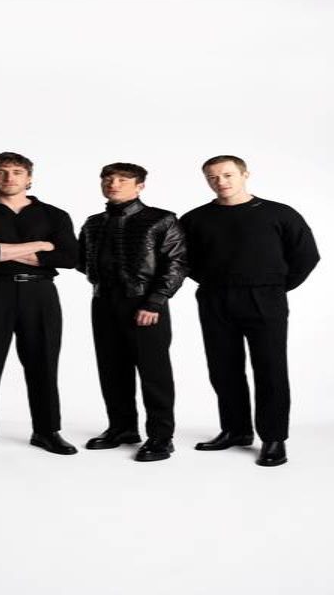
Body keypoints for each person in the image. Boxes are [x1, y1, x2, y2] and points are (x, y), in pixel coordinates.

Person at [181, 155, 320, 466]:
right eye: (213, 177)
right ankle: (236, 430)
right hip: (215, 298)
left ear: (245, 175)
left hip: (265, 297)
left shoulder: (279, 213)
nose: (221, 181)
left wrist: (275, 286)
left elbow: (307, 255)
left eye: (228, 174)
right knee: (223, 367)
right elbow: (183, 260)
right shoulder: (195, 219)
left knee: (270, 368)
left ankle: (274, 438)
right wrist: (214, 281)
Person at [0, 152, 78, 461]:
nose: (9, 178)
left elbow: (69, 258)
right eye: (1, 171)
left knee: (44, 362)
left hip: (40, 293)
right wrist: (41, 245)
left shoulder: (55, 215)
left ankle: (47, 430)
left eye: (17, 172)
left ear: (29, 178)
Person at [78, 163, 188, 462]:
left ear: (140, 186)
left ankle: (161, 437)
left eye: (123, 180)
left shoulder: (161, 219)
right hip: (103, 301)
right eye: (108, 179)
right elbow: (81, 260)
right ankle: (122, 428)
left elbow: (176, 263)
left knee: (154, 372)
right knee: (111, 368)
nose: (113, 184)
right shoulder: (93, 223)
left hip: (144, 303)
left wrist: (155, 302)